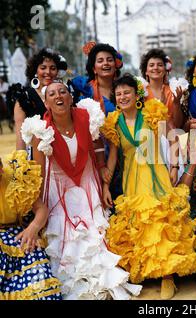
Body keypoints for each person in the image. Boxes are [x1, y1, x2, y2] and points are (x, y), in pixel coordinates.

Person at [21, 81, 141, 300]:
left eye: (63, 92)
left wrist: (103, 168)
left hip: (88, 185)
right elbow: (37, 174)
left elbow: (97, 147)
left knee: (96, 238)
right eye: (52, 94)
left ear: (70, 96)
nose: (59, 96)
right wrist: (38, 211)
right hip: (59, 191)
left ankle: (102, 284)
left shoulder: (87, 115)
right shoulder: (40, 130)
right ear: (46, 102)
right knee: (66, 243)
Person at [101, 74, 196, 300]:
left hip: (157, 173)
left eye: (127, 92)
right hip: (131, 179)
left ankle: (168, 276)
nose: (123, 96)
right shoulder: (113, 122)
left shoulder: (151, 113)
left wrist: (175, 166)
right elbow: (113, 158)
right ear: (115, 98)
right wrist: (106, 186)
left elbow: (174, 138)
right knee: (139, 223)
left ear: (136, 94)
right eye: (118, 94)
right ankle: (147, 270)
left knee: (161, 220)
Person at [0, 150, 62, 300]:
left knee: (38, 278)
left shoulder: (17, 174)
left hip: (20, 234)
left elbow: (41, 209)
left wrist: (33, 228)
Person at [70, 42, 124, 199]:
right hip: (96, 152)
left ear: (116, 64)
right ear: (94, 68)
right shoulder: (84, 91)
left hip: (125, 149)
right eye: (100, 61)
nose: (105, 63)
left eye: (109, 60)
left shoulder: (125, 89)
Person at [12, 48, 67, 150]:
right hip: (37, 155)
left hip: (64, 151)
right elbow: (20, 137)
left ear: (57, 72)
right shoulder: (25, 97)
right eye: (43, 68)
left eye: (53, 68)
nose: (48, 72)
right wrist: (20, 162)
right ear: (35, 70)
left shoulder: (65, 94)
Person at [139, 48, 183, 128]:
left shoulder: (173, 90)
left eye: (160, 65)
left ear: (165, 70)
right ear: (146, 71)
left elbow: (178, 125)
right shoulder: (140, 92)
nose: (155, 68)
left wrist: (176, 103)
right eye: (151, 65)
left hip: (171, 137)